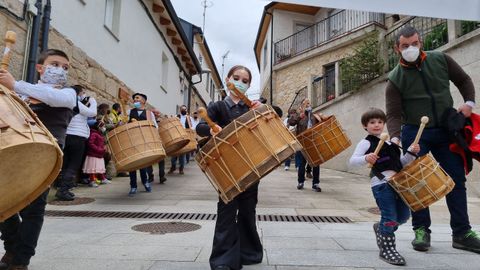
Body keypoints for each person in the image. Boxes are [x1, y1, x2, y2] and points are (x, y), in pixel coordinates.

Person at [386, 25, 480, 253]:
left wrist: (469, 103)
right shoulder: (395, 78)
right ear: (397, 49)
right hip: (415, 133)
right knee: (417, 183)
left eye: (415, 43)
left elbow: (464, 80)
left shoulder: (441, 60)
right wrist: (396, 138)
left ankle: (462, 233)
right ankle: (421, 230)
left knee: (456, 180)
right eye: (405, 45)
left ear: (421, 43)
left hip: (447, 129)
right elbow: (393, 114)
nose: (411, 48)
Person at [0, 49, 77, 270]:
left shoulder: (68, 93)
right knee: (5, 202)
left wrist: (14, 85)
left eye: (65, 67)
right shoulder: (22, 91)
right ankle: (12, 247)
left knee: (34, 209)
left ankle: (21, 260)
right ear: (40, 67)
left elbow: (55, 99)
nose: (60, 70)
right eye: (54, 64)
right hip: (14, 150)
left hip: (45, 155)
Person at [196, 65, 263, 270]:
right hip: (226, 167)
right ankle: (223, 260)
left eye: (245, 81)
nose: (240, 83)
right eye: (236, 78)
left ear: (249, 85)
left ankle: (249, 253)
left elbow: (270, 121)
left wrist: (261, 111)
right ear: (227, 80)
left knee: (247, 210)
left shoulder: (251, 106)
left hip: (250, 164)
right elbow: (200, 127)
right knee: (226, 210)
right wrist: (211, 129)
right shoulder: (217, 106)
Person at [349, 108, 420, 265]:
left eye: (380, 122)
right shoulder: (366, 142)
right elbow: (352, 161)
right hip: (381, 184)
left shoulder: (392, 144)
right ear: (365, 126)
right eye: (372, 122)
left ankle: (381, 229)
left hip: (398, 184)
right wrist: (366, 157)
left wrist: (411, 153)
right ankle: (387, 249)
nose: (377, 125)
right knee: (389, 216)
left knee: (403, 216)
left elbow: (401, 164)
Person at [55, 85, 97, 200]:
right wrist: (93, 101)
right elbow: (93, 113)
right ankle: (63, 190)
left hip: (66, 135)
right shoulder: (75, 102)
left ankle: (64, 188)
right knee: (74, 164)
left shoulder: (63, 102)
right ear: (77, 93)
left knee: (66, 163)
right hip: (77, 137)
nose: (84, 95)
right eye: (82, 92)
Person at [288, 98, 322, 192]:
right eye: (305, 103)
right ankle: (301, 182)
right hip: (302, 143)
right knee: (302, 163)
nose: (307, 105)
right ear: (302, 105)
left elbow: (320, 126)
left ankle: (315, 184)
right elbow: (291, 122)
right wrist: (299, 116)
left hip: (313, 142)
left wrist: (321, 118)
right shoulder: (298, 115)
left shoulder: (314, 115)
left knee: (316, 163)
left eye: (309, 103)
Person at [127, 92, 156, 196]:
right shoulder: (129, 112)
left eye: (137, 98)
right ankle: (133, 186)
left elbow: (154, 126)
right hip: (132, 140)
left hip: (144, 141)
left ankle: (145, 182)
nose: (135, 100)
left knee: (142, 164)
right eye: (134, 99)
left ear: (144, 101)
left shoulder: (149, 113)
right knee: (132, 165)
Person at [82, 121, 109, 187]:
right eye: (102, 126)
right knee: (93, 168)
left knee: (99, 168)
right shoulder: (94, 134)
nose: (104, 128)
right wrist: (99, 149)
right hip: (94, 154)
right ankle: (92, 181)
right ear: (98, 127)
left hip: (99, 154)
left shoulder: (99, 134)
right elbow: (90, 143)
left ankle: (102, 178)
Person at [168, 104, 192, 174]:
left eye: (185, 109)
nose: (183, 110)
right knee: (174, 153)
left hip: (184, 136)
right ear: (180, 110)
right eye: (182, 109)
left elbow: (191, 127)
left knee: (182, 153)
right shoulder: (176, 116)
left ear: (186, 110)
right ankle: (173, 167)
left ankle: (181, 168)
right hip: (176, 136)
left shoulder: (188, 118)